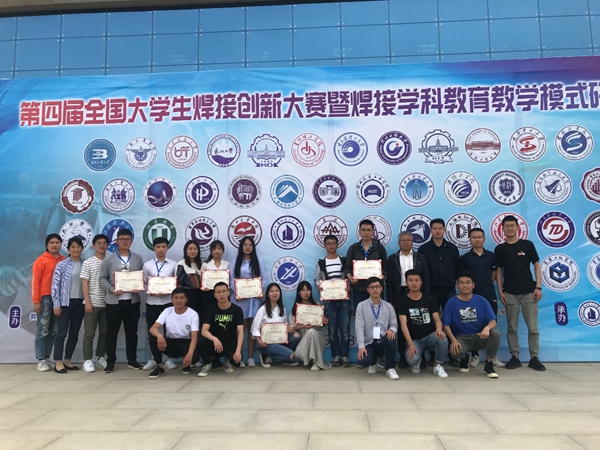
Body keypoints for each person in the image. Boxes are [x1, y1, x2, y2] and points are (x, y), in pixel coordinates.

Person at [495, 215, 545, 371]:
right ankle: (515, 357)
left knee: (533, 328)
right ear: (503, 229)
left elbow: (536, 265)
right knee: (512, 327)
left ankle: (534, 358)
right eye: (507, 226)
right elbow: (498, 270)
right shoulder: (500, 249)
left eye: (512, 225)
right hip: (510, 292)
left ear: (517, 227)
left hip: (529, 292)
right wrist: (500, 290)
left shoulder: (527, 245)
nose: (510, 228)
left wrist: (538, 287)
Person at [99, 228, 144, 373]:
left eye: (128, 239)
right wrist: (111, 289)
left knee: (132, 332)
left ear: (131, 241)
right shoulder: (109, 259)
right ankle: (110, 362)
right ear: (117, 241)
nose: (125, 241)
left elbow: (140, 277)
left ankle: (132, 360)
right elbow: (102, 278)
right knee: (111, 333)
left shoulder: (137, 258)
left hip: (132, 301)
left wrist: (139, 287)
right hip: (114, 301)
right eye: (122, 239)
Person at [460, 227, 504, 369]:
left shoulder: (491, 256)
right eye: (474, 237)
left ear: (484, 239)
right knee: (472, 322)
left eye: (479, 237)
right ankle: (475, 355)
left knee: (491, 323)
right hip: (471, 296)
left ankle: (492, 356)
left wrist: (488, 284)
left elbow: (494, 273)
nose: (477, 240)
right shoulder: (465, 257)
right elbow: (463, 277)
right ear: (470, 240)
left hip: (489, 293)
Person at [418, 218, 460, 365]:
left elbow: (457, 268)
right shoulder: (424, 249)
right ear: (430, 230)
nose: (437, 231)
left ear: (444, 230)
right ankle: (433, 355)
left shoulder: (452, 248)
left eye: (440, 228)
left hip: (449, 290)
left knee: (451, 321)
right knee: (430, 322)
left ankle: (452, 355)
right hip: (431, 291)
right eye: (434, 228)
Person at [442, 272, 500, 378]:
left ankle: (489, 364)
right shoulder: (451, 302)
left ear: (473, 285)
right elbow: (446, 325)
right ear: (457, 286)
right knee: (454, 352)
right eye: (462, 283)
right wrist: (453, 340)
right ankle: (464, 358)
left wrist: (487, 328)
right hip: (462, 338)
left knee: (495, 333)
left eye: (468, 283)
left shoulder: (482, 300)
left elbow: (493, 321)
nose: (465, 285)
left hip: (479, 336)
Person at [387, 231, 430, 369]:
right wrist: (391, 299)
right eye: (403, 240)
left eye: (408, 240)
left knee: (419, 324)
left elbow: (426, 277)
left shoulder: (420, 257)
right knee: (401, 326)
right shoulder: (392, 258)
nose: (406, 242)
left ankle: (421, 357)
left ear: (412, 242)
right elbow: (389, 281)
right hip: (400, 294)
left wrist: (425, 296)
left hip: (418, 293)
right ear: (399, 243)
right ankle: (403, 357)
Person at [397, 269, 448, 379]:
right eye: (411, 280)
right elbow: (403, 324)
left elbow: (437, 319)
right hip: (414, 340)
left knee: (442, 338)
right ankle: (418, 360)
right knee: (412, 360)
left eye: (417, 280)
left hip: (430, 337)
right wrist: (410, 344)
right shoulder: (402, 301)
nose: (414, 283)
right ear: (406, 282)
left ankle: (437, 365)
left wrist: (439, 329)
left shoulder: (429, 299)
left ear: (421, 282)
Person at [230, 236, 267, 367]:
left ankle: (250, 357)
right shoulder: (235, 261)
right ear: (241, 247)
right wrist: (236, 292)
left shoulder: (258, 260)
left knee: (252, 329)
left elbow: (263, 278)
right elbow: (231, 279)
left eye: (250, 245)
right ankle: (238, 357)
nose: (247, 247)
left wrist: (259, 291)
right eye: (245, 245)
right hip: (239, 299)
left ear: (253, 247)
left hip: (254, 300)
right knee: (240, 328)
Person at [314, 234, 350, 367]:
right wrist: (319, 286)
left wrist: (348, 286)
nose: (331, 245)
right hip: (329, 301)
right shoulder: (321, 262)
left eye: (333, 243)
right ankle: (336, 356)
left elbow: (349, 277)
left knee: (345, 330)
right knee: (333, 330)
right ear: (325, 246)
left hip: (344, 300)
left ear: (337, 245)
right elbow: (317, 279)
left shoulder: (343, 260)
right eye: (328, 243)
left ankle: (345, 356)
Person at [142, 237, 178, 371]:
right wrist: (151, 292)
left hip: (168, 302)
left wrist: (170, 291)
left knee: (169, 331)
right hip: (152, 302)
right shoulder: (147, 265)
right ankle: (154, 359)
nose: (161, 249)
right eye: (158, 247)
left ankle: (168, 358)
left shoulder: (173, 265)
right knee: (152, 330)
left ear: (167, 248)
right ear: (154, 248)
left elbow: (176, 283)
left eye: (163, 247)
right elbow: (144, 283)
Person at [148, 288, 200, 378]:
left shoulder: (193, 314)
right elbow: (153, 328)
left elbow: (194, 337)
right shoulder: (167, 311)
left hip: (185, 343)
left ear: (186, 300)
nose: (178, 301)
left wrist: (190, 353)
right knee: (152, 338)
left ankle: (186, 365)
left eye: (181, 298)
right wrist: (159, 335)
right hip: (170, 343)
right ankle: (160, 367)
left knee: (194, 356)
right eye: (176, 298)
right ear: (172, 300)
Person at [51, 237, 85, 373]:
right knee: (61, 333)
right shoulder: (62, 265)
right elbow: (55, 286)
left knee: (74, 333)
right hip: (65, 303)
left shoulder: (85, 264)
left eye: (78, 247)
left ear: (82, 249)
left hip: (80, 303)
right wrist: (56, 304)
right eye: (73, 247)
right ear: (68, 249)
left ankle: (67, 360)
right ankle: (58, 361)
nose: (76, 249)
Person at [32, 233, 65, 372]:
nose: (54, 245)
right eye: (51, 242)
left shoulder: (64, 260)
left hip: (60, 299)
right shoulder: (41, 260)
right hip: (45, 298)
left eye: (57, 242)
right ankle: (41, 360)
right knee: (43, 329)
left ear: (61, 244)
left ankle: (47, 357)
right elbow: (35, 282)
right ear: (46, 245)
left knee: (54, 330)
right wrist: (36, 301)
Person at [355, 277, 399, 380]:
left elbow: (394, 325)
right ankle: (373, 362)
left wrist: (391, 330)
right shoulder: (361, 306)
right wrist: (361, 347)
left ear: (381, 288)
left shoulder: (388, 307)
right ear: (368, 290)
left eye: (377, 287)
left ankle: (390, 368)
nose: (375, 289)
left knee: (391, 337)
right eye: (372, 287)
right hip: (369, 342)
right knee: (363, 360)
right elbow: (359, 327)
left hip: (383, 340)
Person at [197, 282, 244, 377]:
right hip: (215, 344)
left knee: (236, 362)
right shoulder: (210, 310)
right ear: (215, 295)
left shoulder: (237, 310)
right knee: (201, 342)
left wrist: (238, 351)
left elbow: (240, 332)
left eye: (224, 291)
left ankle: (228, 360)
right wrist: (215, 339)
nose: (221, 294)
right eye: (218, 292)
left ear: (228, 293)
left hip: (230, 343)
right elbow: (204, 331)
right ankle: (208, 363)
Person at [252, 283, 300, 368]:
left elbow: (284, 327)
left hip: (281, 341)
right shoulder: (262, 309)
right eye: (272, 291)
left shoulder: (282, 309)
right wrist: (259, 341)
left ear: (280, 294)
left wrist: (290, 329)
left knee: (297, 336)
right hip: (267, 343)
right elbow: (255, 328)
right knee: (292, 355)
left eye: (277, 291)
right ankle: (281, 355)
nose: (274, 293)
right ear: (268, 294)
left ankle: (269, 358)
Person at [80, 233, 109, 373]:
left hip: (108, 303)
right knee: (89, 334)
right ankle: (87, 360)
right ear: (93, 246)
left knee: (104, 333)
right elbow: (84, 283)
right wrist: (87, 302)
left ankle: (100, 357)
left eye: (104, 243)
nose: (102, 245)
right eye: (99, 243)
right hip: (92, 303)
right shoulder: (88, 262)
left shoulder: (110, 261)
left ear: (108, 245)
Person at [345, 219, 388, 306]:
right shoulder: (353, 248)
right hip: (359, 289)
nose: (366, 232)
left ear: (373, 232)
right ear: (359, 232)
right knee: (360, 312)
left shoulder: (379, 248)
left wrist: (381, 275)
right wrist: (350, 278)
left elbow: (386, 268)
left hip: (376, 289)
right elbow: (347, 267)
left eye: (369, 230)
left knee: (378, 312)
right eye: (363, 230)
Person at [290, 281, 331, 371]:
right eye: (303, 290)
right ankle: (314, 362)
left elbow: (323, 324)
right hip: (303, 336)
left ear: (311, 291)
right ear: (299, 292)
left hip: (317, 335)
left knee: (312, 331)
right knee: (309, 332)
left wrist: (325, 321)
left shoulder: (317, 305)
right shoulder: (295, 308)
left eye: (308, 290)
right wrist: (303, 326)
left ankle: (315, 362)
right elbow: (292, 326)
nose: (306, 293)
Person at [200, 240, 230, 323]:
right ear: (211, 250)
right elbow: (201, 280)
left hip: (223, 294)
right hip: (209, 294)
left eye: (219, 249)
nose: (217, 251)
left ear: (223, 250)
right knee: (209, 316)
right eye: (214, 249)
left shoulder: (227, 264)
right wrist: (203, 287)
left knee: (223, 316)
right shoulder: (205, 265)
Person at [176, 240, 203, 317]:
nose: (193, 251)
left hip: (200, 296)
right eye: (190, 249)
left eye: (195, 249)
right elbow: (179, 284)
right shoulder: (181, 263)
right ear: (186, 250)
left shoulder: (201, 264)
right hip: (187, 296)